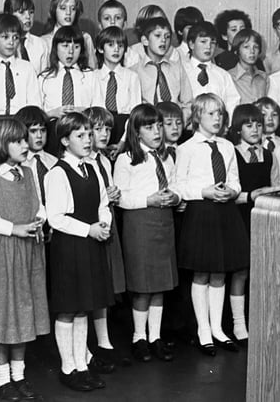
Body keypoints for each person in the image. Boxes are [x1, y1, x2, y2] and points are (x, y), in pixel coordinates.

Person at [0, 119, 48, 401]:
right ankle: (3, 378)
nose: (25, 145)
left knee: (24, 312)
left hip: (29, 250)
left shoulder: (28, 173)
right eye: (18, 141)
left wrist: (40, 219)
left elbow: (39, 206)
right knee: (3, 313)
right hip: (3, 249)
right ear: (1, 145)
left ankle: (20, 375)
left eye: (25, 140)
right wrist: (12, 228)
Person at [175, 93, 248, 356]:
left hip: (225, 212)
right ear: (197, 117)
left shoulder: (228, 146)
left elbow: (236, 181)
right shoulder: (186, 149)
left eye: (219, 113)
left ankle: (218, 329)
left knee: (220, 272)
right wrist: (204, 191)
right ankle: (203, 330)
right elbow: (179, 186)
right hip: (201, 213)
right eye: (210, 114)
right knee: (202, 273)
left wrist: (231, 190)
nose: (217, 118)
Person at [45, 112, 113, 392]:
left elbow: (103, 203)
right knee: (68, 309)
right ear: (64, 140)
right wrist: (89, 230)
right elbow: (56, 217)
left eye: (89, 134)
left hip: (91, 244)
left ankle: (82, 366)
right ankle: (68, 367)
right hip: (69, 247)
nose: (88, 140)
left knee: (84, 306)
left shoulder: (93, 168)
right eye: (80, 136)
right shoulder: (57, 174)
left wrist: (104, 223)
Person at [114, 103, 179, 362]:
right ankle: (139, 337)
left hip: (164, 221)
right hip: (139, 223)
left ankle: (155, 336)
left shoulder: (165, 157)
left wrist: (174, 196)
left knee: (160, 283)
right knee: (142, 285)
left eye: (159, 126)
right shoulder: (126, 158)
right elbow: (120, 198)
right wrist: (147, 200)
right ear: (136, 131)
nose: (156, 132)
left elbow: (175, 186)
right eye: (149, 127)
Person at [82, 107, 127, 371]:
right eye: (97, 129)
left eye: (108, 129)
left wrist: (114, 194)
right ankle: (85, 348)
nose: (103, 133)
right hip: (90, 225)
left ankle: (105, 342)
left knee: (106, 285)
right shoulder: (81, 161)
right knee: (89, 287)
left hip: (108, 222)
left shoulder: (105, 160)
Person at [228, 104, 276, 345]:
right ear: (238, 129)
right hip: (240, 216)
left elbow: (275, 186)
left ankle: (261, 322)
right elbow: (228, 192)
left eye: (258, 124)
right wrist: (251, 195)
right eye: (249, 125)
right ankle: (239, 325)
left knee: (263, 272)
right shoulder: (232, 153)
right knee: (241, 272)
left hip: (264, 217)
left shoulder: (268, 155)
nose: (255, 129)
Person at [0, 13, 41, 115]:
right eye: (5, 37)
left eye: (15, 37)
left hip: (21, 122)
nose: (11, 42)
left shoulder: (27, 68)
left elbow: (35, 104)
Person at [38, 26, 103, 117]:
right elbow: (36, 114)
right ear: (55, 48)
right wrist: (52, 113)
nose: (70, 52)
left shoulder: (90, 76)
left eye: (76, 47)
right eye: (65, 46)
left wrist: (84, 111)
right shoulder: (44, 77)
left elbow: (99, 109)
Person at [181, 21, 241, 116]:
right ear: (191, 44)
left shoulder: (223, 75)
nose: (208, 47)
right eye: (203, 42)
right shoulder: (181, 71)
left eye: (212, 42)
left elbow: (232, 104)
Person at [132, 17, 191, 110]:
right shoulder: (135, 72)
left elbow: (188, 103)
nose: (163, 40)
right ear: (145, 41)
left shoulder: (177, 68)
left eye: (167, 36)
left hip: (175, 120)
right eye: (158, 35)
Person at [40, 0, 97, 69]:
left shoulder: (85, 38)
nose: (68, 13)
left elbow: (92, 70)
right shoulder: (44, 41)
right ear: (54, 11)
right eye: (63, 8)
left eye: (73, 9)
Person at [94, 26, 142, 115]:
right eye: (111, 45)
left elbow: (136, 110)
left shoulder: (132, 76)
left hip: (125, 122)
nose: (116, 49)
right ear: (100, 49)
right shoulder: (93, 76)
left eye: (120, 46)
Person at [3, 0, 47, 75]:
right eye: (21, 12)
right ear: (8, 14)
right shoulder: (1, 43)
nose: (28, 17)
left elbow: (44, 78)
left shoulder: (40, 44)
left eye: (31, 12)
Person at [227, 29, 267, 104]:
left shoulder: (264, 77)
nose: (252, 51)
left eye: (256, 47)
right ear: (237, 50)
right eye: (246, 47)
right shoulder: (228, 77)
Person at [97, 0, 138, 68]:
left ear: (124, 25)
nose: (112, 22)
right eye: (107, 18)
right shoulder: (94, 55)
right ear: (100, 26)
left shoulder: (133, 57)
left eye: (118, 18)